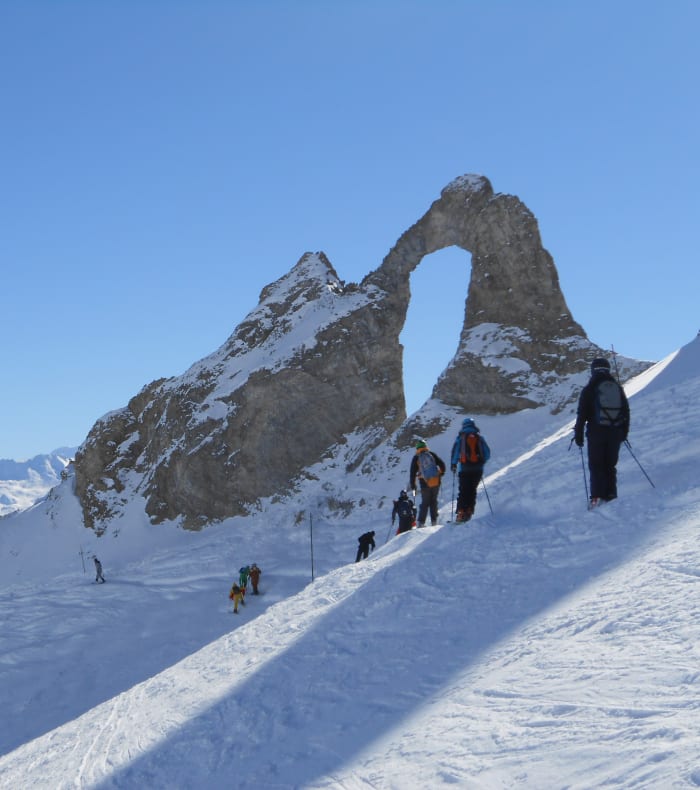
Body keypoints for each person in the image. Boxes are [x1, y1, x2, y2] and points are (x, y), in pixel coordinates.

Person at [574, 357, 630, 506]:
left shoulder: (590, 388)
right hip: (615, 432)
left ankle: (597, 497)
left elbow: (582, 414)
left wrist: (578, 435)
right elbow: (626, 411)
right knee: (610, 465)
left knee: (596, 464)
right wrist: (624, 433)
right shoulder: (617, 387)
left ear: (593, 370)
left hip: (596, 432)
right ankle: (611, 494)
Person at [450, 418, 491, 523]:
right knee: (472, 491)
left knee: (463, 490)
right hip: (478, 469)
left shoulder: (461, 438)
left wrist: (454, 464)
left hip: (465, 469)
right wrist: (480, 462)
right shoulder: (479, 438)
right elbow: (487, 454)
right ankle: (469, 511)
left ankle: (461, 513)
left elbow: (455, 452)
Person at [409, 440, 446, 526]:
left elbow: (412, 473)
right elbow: (442, 464)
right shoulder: (431, 454)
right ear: (425, 446)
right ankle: (434, 521)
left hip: (424, 483)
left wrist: (413, 485)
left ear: (417, 448)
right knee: (433, 501)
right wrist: (441, 473)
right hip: (436, 481)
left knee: (425, 503)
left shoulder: (416, 458)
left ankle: (421, 523)